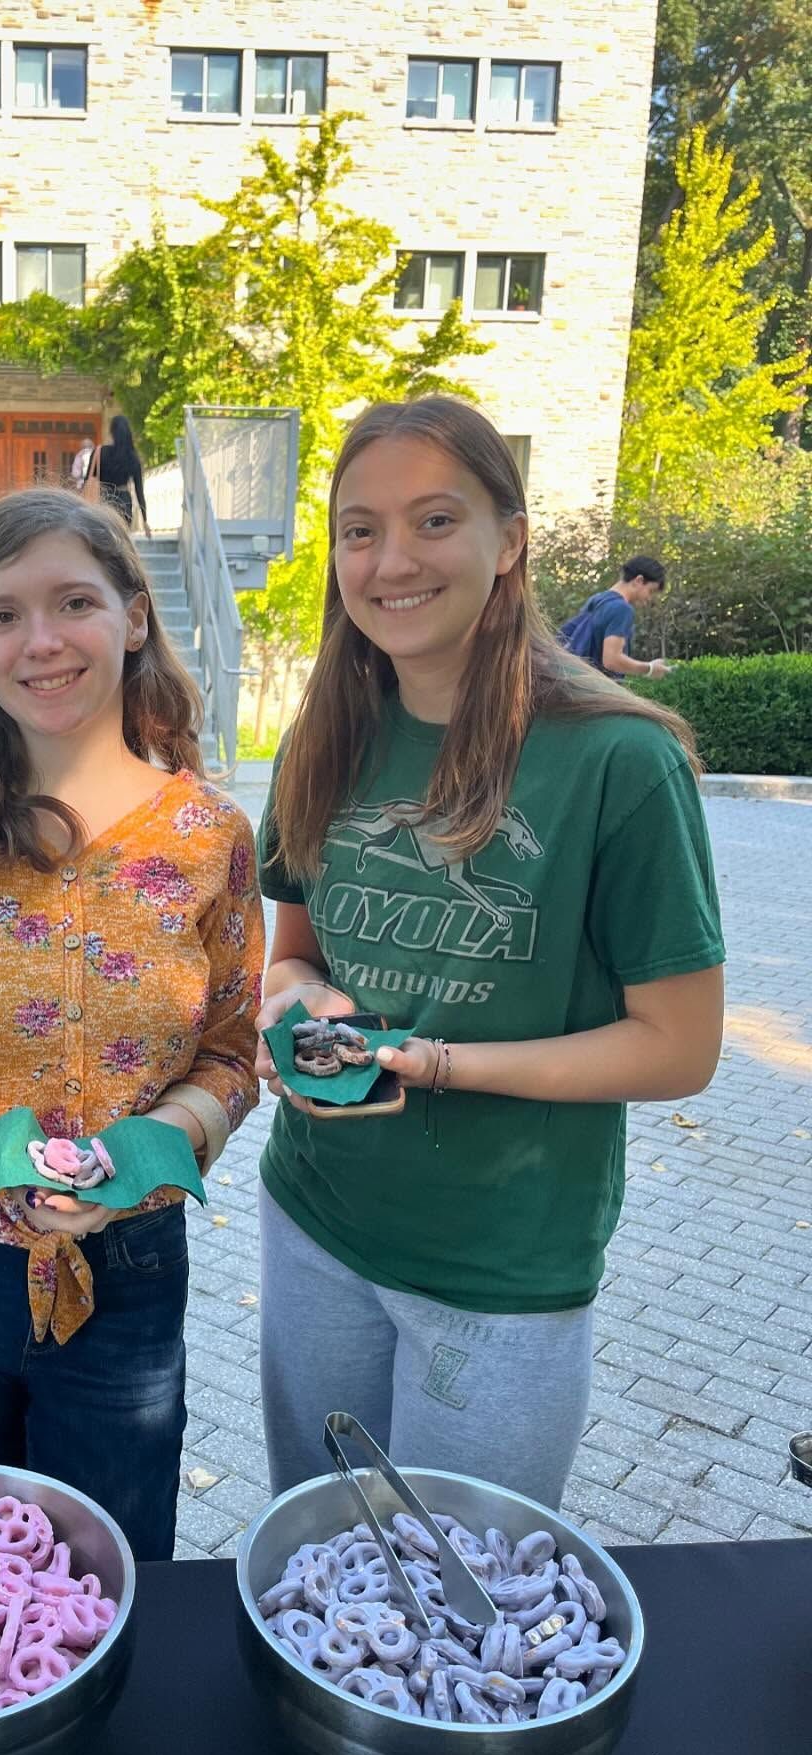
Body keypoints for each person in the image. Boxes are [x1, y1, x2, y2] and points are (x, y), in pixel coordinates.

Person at [254, 398, 724, 1509]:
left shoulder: (618, 759)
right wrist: (297, 1010)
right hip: (318, 1226)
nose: (391, 561)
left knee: (467, 1615)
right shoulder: (325, 737)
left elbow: (681, 1048)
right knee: (318, 1568)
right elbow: (290, 959)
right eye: (360, 529)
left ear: (507, 540)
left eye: (433, 520)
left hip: (504, 1273)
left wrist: (446, 1065)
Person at [0, 485, 262, 1558]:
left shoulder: (211, 837)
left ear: (133, 615)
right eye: (2, 614)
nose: (42, 641)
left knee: (113, 1573)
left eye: (73, 601)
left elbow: (232, 1052)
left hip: (127, 1263)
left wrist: (152, 1150)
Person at [557, 555, 671, 681]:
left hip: (576, 683)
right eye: (651, 591)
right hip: (597, 689)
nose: (650, 598)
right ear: (638, 580)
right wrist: (649, 668)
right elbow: (612, 660)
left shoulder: (597, 600)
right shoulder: (622, 609)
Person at [85, 414, 150, 533]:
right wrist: (145, 521)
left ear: (112, 432)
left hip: (104, 501)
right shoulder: (132, 458)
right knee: (121, 544)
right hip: (124, 502)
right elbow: (139, 491)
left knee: (104, 541)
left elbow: (87, 480)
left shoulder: (100, 452)